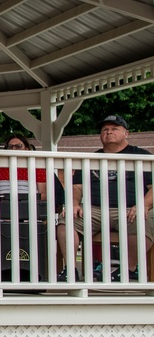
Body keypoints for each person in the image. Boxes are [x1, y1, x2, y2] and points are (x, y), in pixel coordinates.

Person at [56, 115, 154, 282]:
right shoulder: (91, 159)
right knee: (66, 219)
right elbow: (77, 187)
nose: (109, 132)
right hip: (94, 210)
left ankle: (127, 270)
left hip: (130, 209)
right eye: (105, 129)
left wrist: (144, 204)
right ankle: (71, 270)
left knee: (145, 219)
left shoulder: (141, 156)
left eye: (114, 128)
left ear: (126, 133)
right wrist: (73, 203)